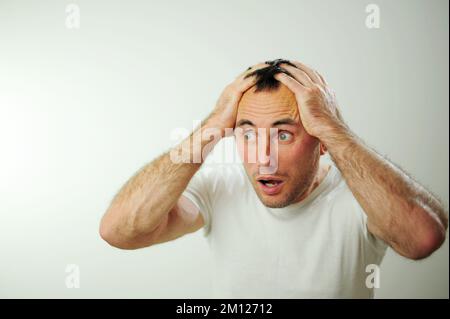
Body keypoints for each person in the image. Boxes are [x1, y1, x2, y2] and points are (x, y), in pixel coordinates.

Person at [99, 59, 448, 298]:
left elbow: (423, 238)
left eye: (283, 135)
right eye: (247, 134)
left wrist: (333, 128)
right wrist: (212, 125)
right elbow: (120, 232)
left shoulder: (359, 196)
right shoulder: (220, 189)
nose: (263, 157)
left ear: (321, 141)